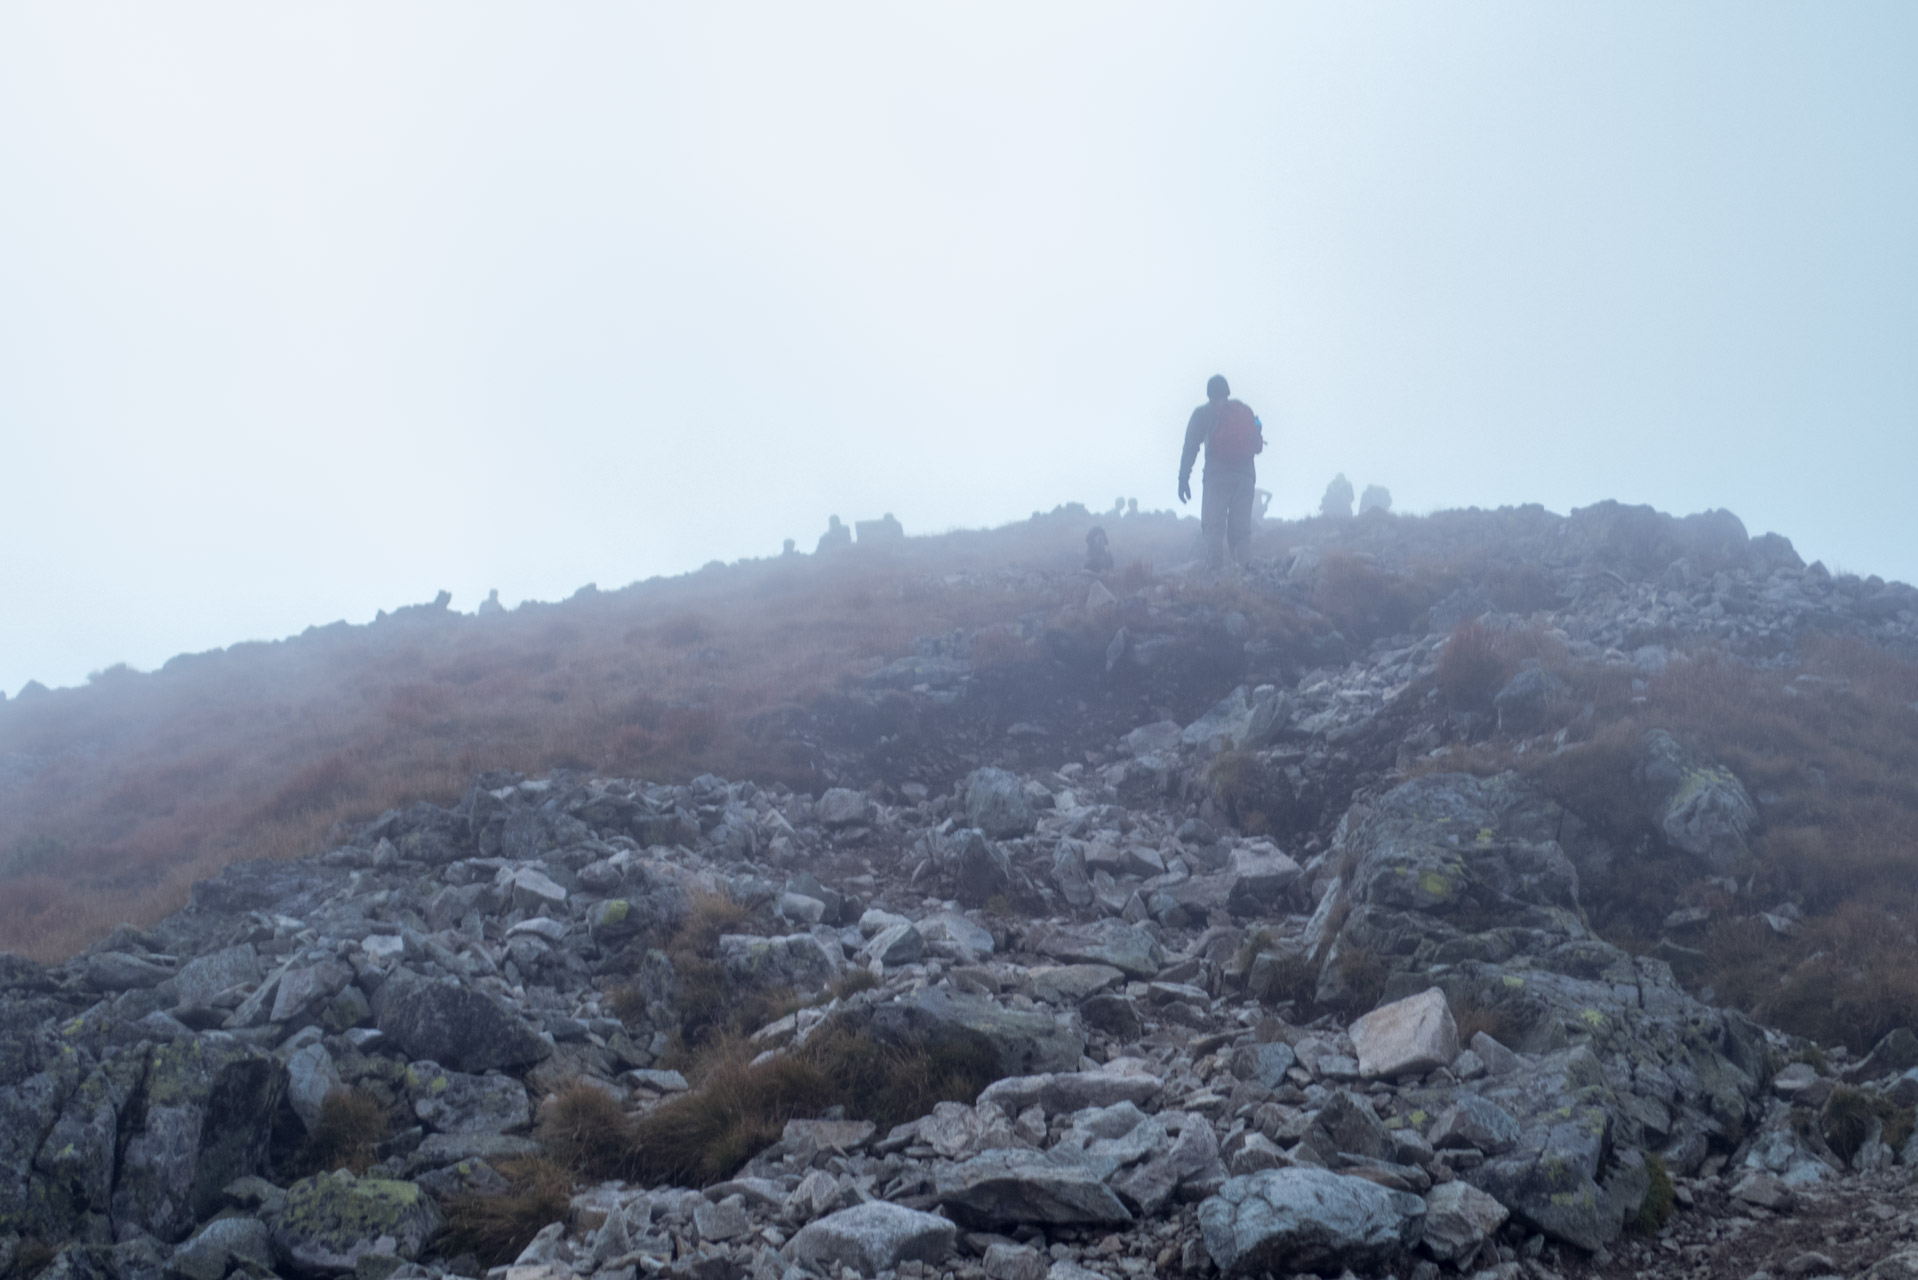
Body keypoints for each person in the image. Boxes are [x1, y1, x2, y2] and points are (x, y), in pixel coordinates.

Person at [1177, 374, 1265, 567]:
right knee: (1241, 531)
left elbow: (1190, 447)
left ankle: (1216, 575)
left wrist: (1183, 479)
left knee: (1213, 526)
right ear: (1227, 392)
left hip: (1217, 476)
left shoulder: (1203, 413)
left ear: (1209, 394)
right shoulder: (1243, 411)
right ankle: (1246, 574)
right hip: (1246, 478)